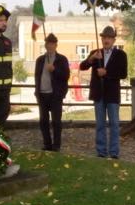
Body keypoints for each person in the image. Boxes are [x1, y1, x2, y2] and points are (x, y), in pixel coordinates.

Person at [79, 26, 128, 159]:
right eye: (104, 38)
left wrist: (106, 73)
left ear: (113, 40)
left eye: (109, 38)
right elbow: (82, 66)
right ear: (101, 39)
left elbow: (123, 73)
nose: (106, 40)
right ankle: (101, 151)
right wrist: (91, 59)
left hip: (112, 95)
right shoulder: (96, 53)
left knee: (114, 124)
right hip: (98, 94)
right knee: (100, 124)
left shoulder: (121, 55)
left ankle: (114, 152)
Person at [33, 33, 70, 151]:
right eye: (48, 44)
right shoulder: (40, 60)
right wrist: (37, 91)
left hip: (55, 95)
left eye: (52, 44)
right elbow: (37, 76)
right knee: (43, 121)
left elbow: (65, 76)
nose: (50, 46)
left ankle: (56, 145)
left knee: (56, 121)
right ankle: (47, 144)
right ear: (45, 45)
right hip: (42, 94)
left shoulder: (62, 59)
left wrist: (54, 70)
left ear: (56, 45)